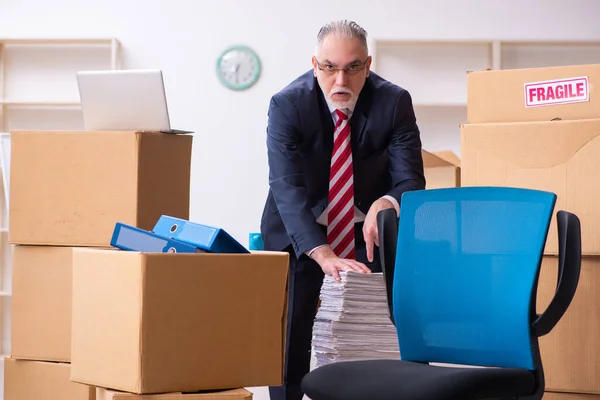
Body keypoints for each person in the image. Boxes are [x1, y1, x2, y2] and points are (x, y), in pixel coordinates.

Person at [260, 19, 426, 400]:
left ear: (368, 65)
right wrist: (321, 253)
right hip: (300, 229)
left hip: (365, 229)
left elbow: (410, 181)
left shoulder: (394, 102)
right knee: (290, 338)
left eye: (352, 68)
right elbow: (286, 188)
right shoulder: (288, 104)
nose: (341, 81)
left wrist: (387, 201)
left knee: (377, 330)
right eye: (329, 67)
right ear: (314, 64)